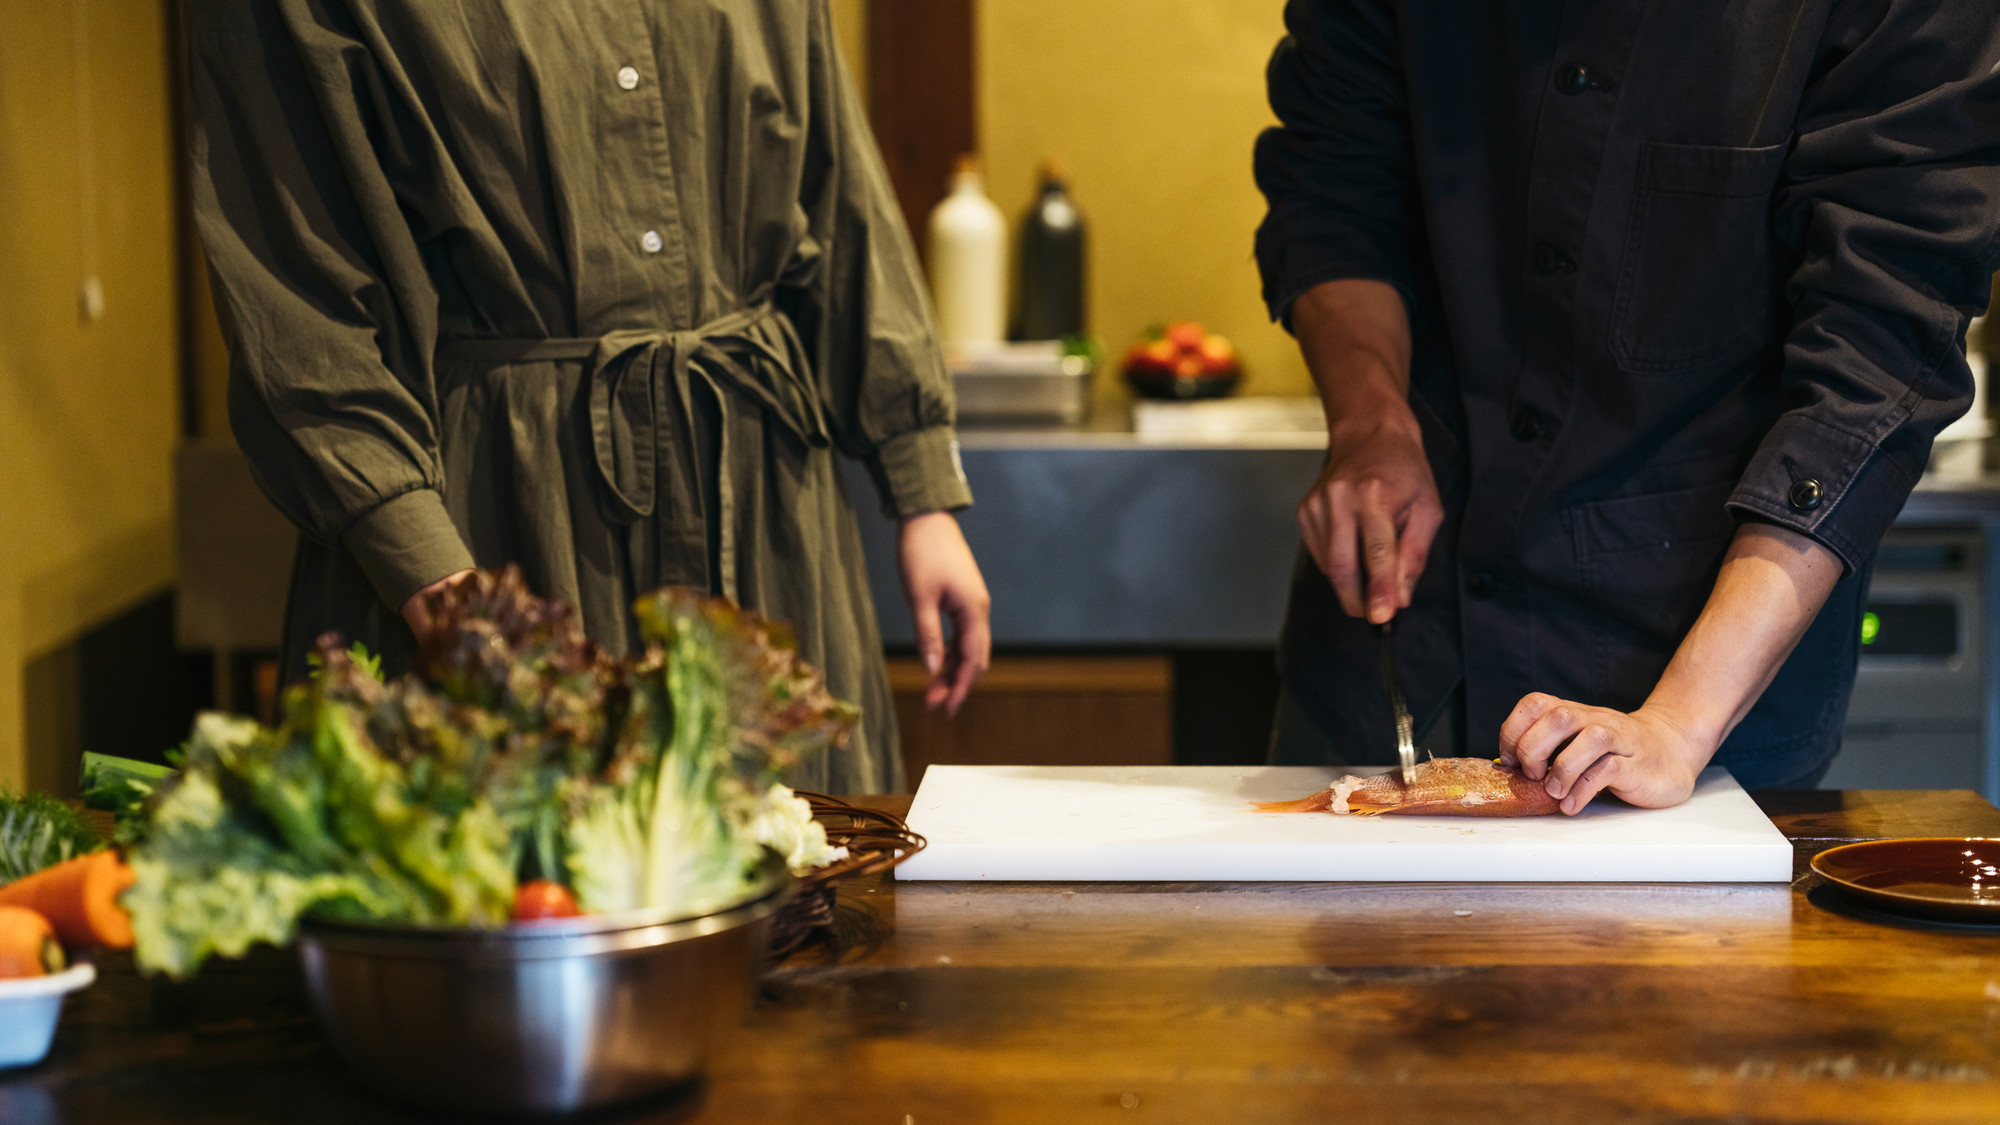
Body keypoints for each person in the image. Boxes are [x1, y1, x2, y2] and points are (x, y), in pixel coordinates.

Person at [184, 0, 991, 794]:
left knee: (810, 884)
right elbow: (297, 285)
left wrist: (920, 485)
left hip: (767, 506)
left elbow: (839, 192)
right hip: (493, 520)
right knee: (529, 884)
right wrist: (415, 550)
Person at [1255, 0, 2000, 811]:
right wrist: (1373, 424)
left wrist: (1681, 722)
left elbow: (1880, 345)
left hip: (1700, 677)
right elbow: (1334, 189)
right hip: (1393, 651)